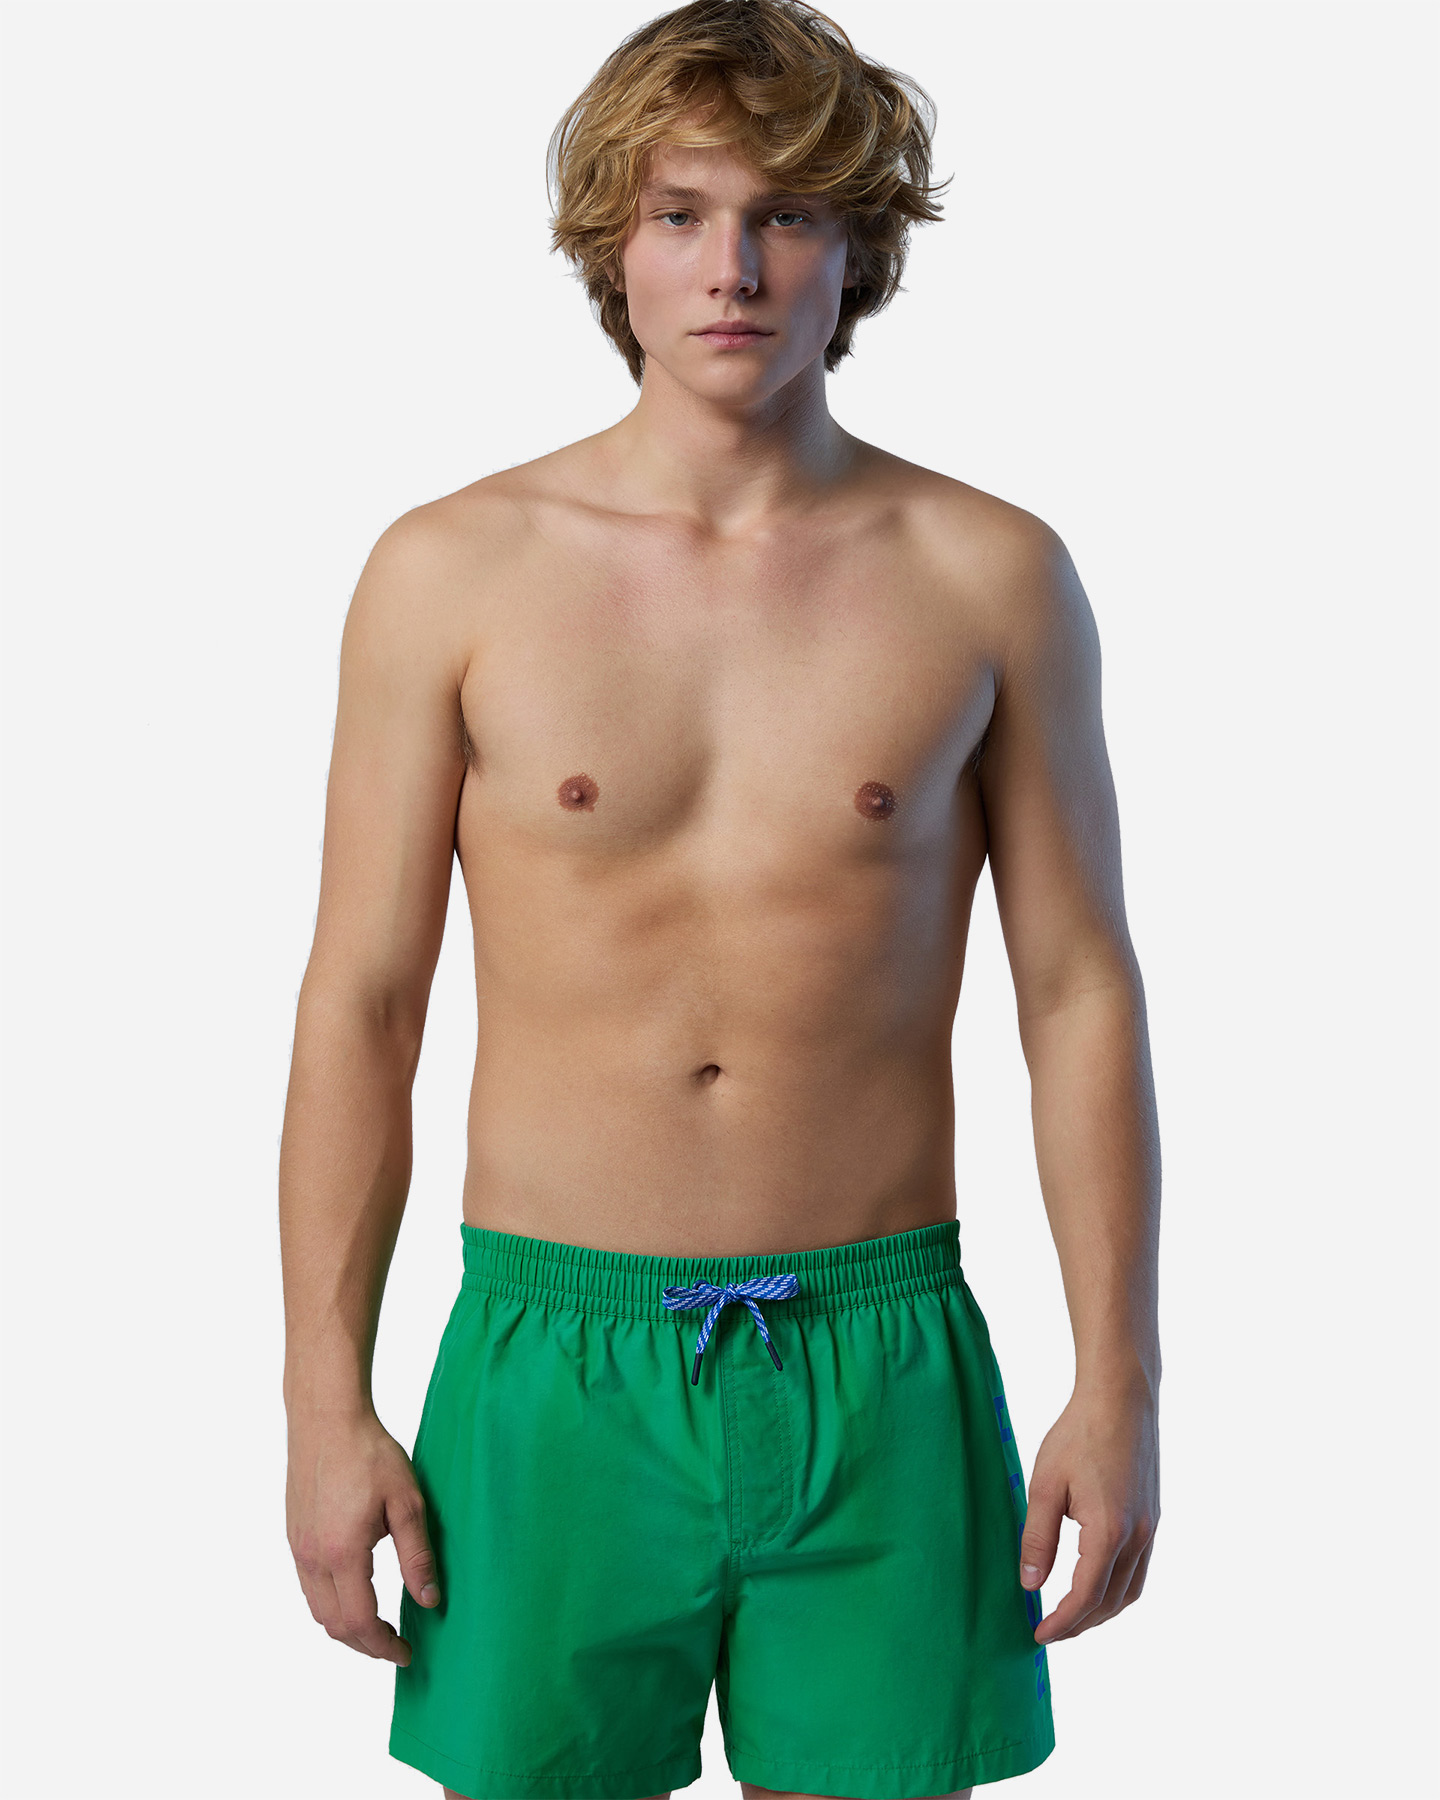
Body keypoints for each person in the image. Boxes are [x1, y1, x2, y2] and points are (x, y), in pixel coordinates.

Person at [279, 2, 1162, 1796]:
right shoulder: (450, 572)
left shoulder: (988, 574)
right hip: (549, 1364)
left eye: (788, 215)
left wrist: (1120, 1380)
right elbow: (363, 1000)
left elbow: (1078, 989)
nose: (734, 268)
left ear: (860, 247)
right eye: (681, 214)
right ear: (613, 244)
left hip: (883, 1357)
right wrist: (322, 1401)